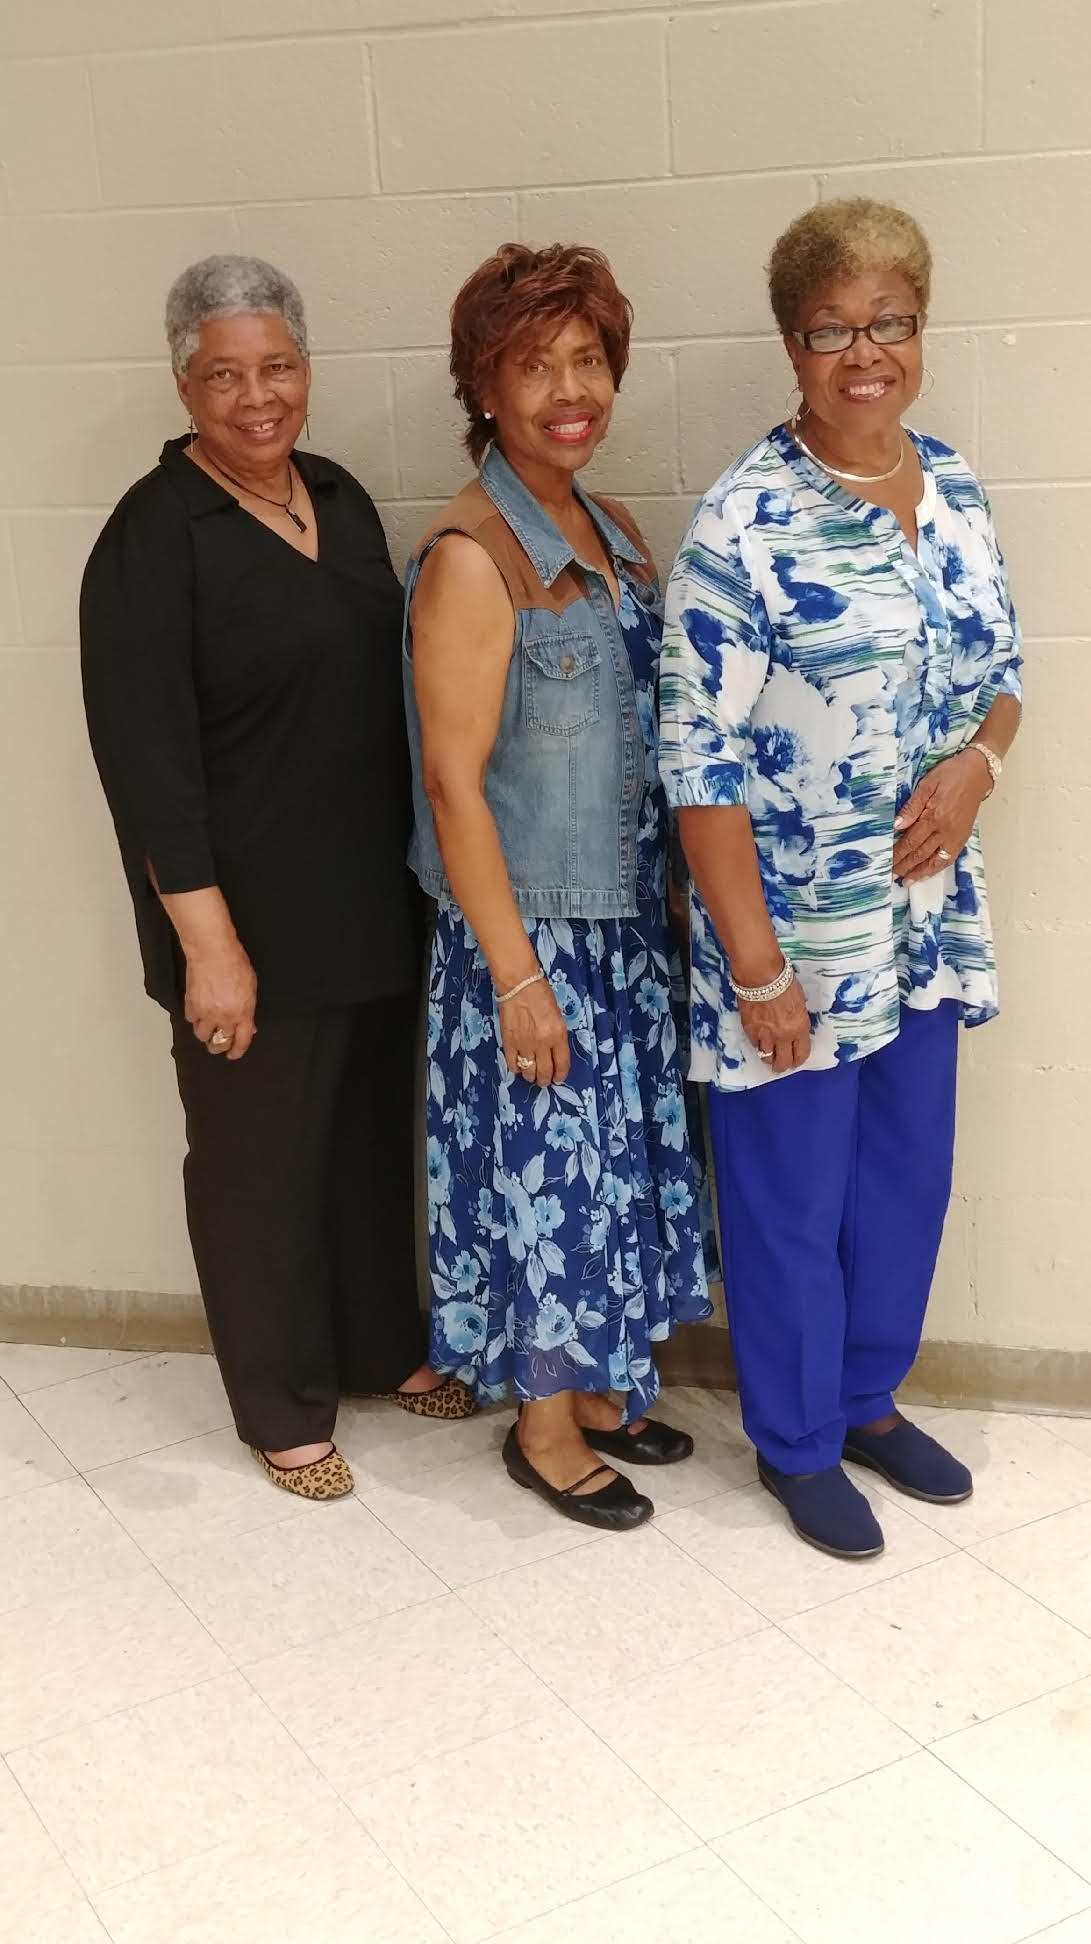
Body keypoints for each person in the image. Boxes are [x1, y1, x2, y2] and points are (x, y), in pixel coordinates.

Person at [659, 199, 1022, 1560]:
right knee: (788, 1199)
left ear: (917, 330)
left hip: (922, 927)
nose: (861, 351)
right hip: (793, 939)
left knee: (899, 1182)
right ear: (790, 344)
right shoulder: (742, 524)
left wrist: (976, 765)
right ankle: (795, 1440)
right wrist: (751, 964)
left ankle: (867, 1399)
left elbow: (1001, 683)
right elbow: (694, 766)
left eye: (886, 323)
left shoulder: (954, 487)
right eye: (830, 329)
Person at [80, 254, 473, 1504]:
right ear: (182, 382)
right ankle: (279, 1402)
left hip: (368, 905)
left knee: (363, 1147)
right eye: (224, 375)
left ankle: (375, 1345)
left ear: (307, 367)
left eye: (278, 367)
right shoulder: (153, 539)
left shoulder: (340, 497)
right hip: (244, 929)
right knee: (258, 1171)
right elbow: (145, 769)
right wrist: (210, 946)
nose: (256, 398)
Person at [403, 244, 714, 1532]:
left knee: (611, 1176)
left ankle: (592, 1388)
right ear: (485, 385)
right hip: (528, 936)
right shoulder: (475, 557)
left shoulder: (614, 531)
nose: (567, 390)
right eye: (533, 366)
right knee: (547, 1178)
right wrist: (518, 976)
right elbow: (451, 786)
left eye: (586, 359)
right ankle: (540, 1425)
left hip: (622, 923)